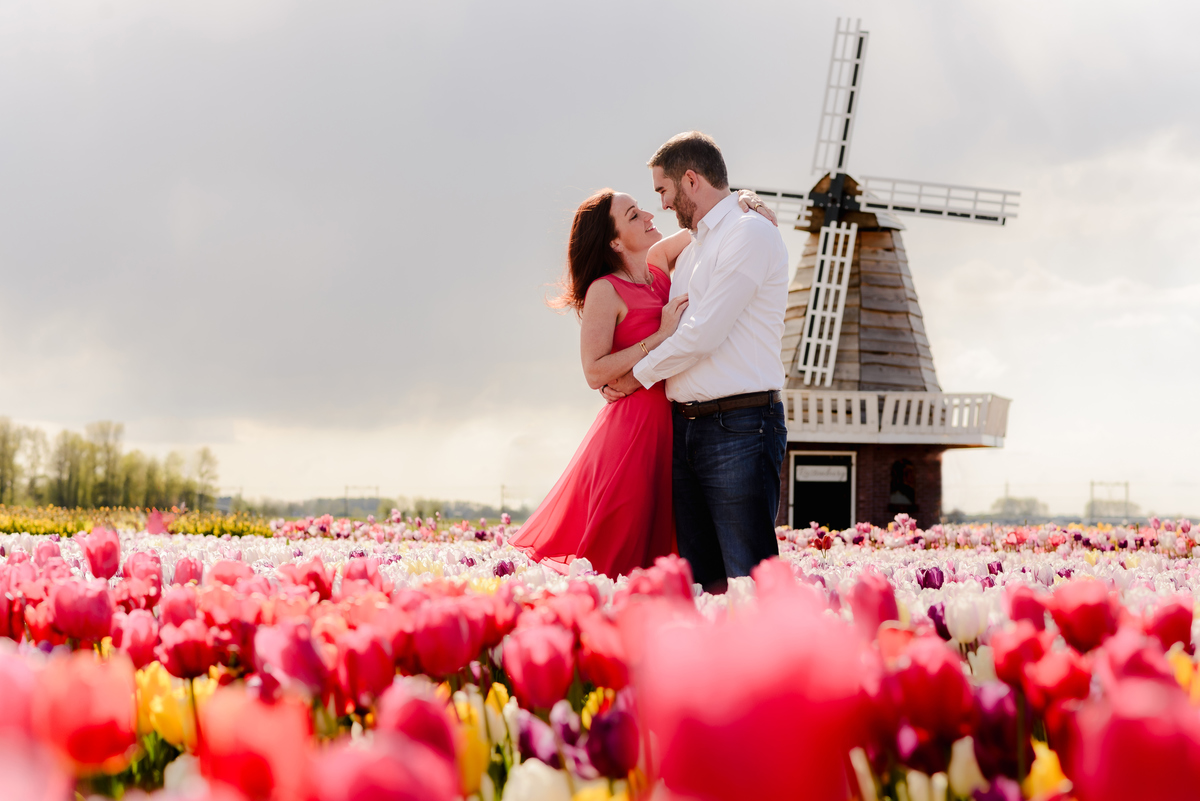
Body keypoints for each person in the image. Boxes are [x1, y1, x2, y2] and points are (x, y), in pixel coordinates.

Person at [509, 185, 775, 578]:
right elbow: (594, 372)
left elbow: (713, 222)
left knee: (670, 554)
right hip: (630, 434)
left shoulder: (656, 266)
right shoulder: (605, 290)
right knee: (620, 552)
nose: (650, 216)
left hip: (672, 430)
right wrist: (660, 335)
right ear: (615, 241)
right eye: (634, 215)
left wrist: (742, 197)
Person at [602, 131, 790, 592]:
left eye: (663, 190)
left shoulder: (748, 233)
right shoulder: (696, 245)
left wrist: (633, 379)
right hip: (686, 428)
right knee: (703, 586)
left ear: (690, 180)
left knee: (746, 580)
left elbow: (702, 334)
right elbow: (645, 265)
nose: (661, 204)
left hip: (740, 426)